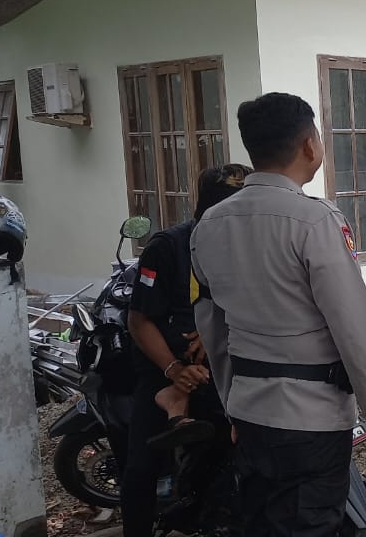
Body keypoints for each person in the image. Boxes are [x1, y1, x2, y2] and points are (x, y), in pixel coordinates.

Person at [190, 92, 366, 536]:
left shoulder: (209, 225)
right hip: (311, 419)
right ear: (310, 145)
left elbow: (212, 329)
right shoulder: (315, 220)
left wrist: (233, 407)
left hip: (251, 414)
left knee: (263, 523)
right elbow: (353, 324)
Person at [124, 163, 252, 537]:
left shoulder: (250, 247)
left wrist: (216, 332)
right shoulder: (166, 247)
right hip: (164, 368)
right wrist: (174, 370)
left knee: (241, 453)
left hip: (221, 368)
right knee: (142, 465)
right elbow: (139, 321)